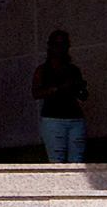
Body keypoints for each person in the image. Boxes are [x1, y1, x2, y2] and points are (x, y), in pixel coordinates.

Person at [35, 29, 90, 163]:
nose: (60, 49)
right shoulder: (43, 70)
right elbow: (36, 93)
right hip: (53, 119)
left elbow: (82, 95)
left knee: (77, 161)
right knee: (57, 161)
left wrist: (79, 88)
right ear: (50, 46)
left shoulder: (73, 69)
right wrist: (59, 88)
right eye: (57, 44)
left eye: (64, 45)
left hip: (75, 118)